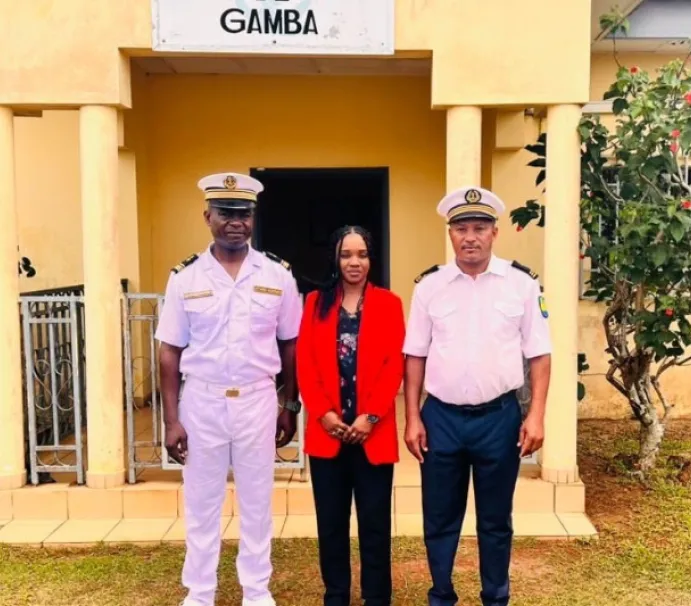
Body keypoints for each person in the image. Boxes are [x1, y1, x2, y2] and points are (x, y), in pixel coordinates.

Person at [155, 172, 303, 606]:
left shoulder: (277, 274)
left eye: (244, 214)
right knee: (202, 503)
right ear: (208, 217)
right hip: (202, 401)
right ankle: (200, 593)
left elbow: (290, 343)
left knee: (257, 502)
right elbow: (169, 350)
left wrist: (289, 403)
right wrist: (171, 419)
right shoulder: (185, 277)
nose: (236, 222)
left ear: (253, 218)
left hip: (257, 399)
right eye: (226, 213)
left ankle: (256, 591)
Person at [402, 186, 552, 606]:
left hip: (499, 419)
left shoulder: (521, 284)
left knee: (496, 521)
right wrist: (412, 417)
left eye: (480, 228)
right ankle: (441, 595)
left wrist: (536, 415)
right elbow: (414, 355)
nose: (470, 237)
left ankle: (495, 597)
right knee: (439, 519)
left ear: (494, 233)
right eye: (461, 228)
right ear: (450, 234)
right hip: (442, 419)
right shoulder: (430, 286)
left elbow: (540, 354)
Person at [296, 225, 406, 606]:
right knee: (331, 525)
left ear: (371, 259)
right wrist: (323, 413)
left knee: (375, 525)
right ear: (335, 258)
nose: (354, 262)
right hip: (328, 433)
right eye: (346, 255)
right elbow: (305, 363)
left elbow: (394, 364)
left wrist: (371, 416)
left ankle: (377, 597)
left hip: (372, 434)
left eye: (361, 254)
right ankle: (336, 595)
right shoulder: (315, 303)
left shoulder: (389, 304)